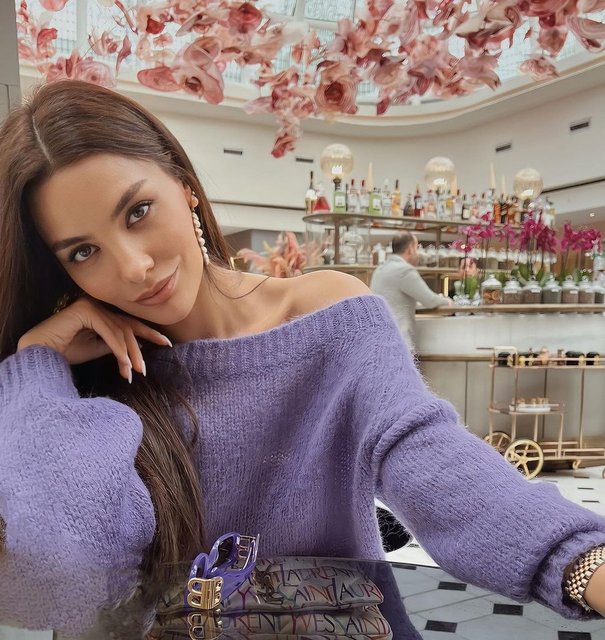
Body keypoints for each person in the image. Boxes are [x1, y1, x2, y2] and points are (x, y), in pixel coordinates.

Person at [0, 80, 604, 636]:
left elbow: (429, 457)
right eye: (83, 252)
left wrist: (580, 561)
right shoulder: (82, 383)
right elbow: (66, 569)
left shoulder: (327, 317)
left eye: (138, 212)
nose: (133, 268)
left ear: (184, 186)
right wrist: (38, 362)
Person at [369, 232, 452, 349]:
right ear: (410, 249)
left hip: (379, 339)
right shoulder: (404, 271)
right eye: (416, 247)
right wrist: (447, 301)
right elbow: (430, 300)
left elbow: (395, 301)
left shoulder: (380, 269)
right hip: (398, 341)